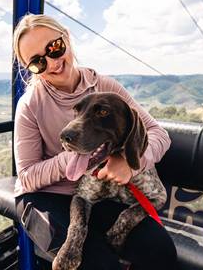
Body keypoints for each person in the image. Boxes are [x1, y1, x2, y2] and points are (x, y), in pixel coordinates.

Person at [13, 14, 177, 270]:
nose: (52, 63)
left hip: (96, 193)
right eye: (37, 62)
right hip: (45, 196)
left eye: (55, 48)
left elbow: (158, 134)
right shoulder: (30, 105)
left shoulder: (105, 87)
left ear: (66, 38)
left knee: (161, 251)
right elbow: (26, 177)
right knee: (99, 265)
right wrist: (76, 158)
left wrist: (130, 164)